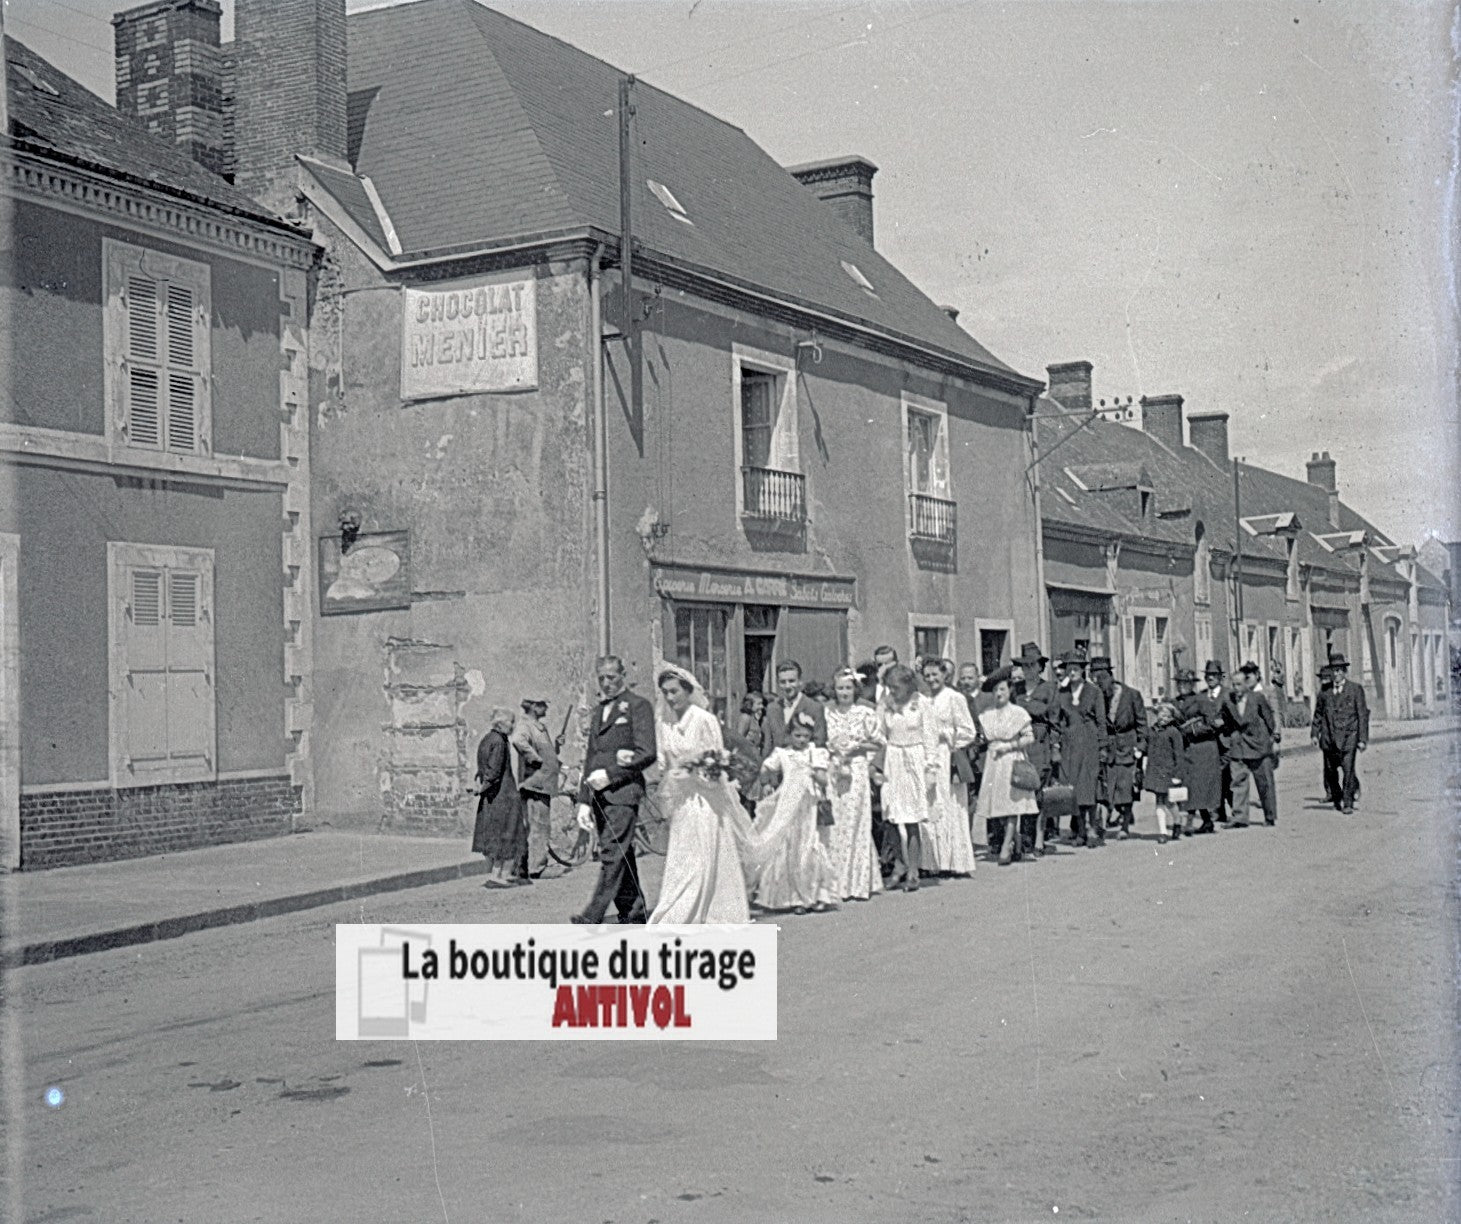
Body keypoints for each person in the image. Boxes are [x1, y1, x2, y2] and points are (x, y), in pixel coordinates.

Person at [647, 665, 755, 924]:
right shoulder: (664, 723)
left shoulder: (704, 719)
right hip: (682, 801)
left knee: (704, 855)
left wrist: (697, 772)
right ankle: (678, 911)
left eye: (674, 691)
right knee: (683, 857)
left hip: (707, 800)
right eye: (665, 693)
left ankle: (706, 913)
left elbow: (717, 761)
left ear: (687, 690)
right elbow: (663, 762)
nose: (670, 698)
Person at [570, 656, 658, 925]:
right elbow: (591, 757)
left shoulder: (637, 706)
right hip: (599, 795)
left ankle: (593, 913)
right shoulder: (599, 711)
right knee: (623, 852)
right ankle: (634, 910)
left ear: (623, 676)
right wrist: (584, 800)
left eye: (612, 677)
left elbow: (647, 753)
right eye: (601, 678)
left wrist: (610, 775)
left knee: (611, 851)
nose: (606, 683)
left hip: (623, 792)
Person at [753, 711, 836, 913]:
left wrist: (816, 773)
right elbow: (766, 770)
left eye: (806, 736)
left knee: (808, 846)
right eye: (797, 736)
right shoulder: (782, 753)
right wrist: (766, 782)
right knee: (786, 845)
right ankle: (787, 897)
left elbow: (825, 780)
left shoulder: (814, 752)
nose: (801, 740)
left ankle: (812, 895)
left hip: (807, 806)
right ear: (790, 735)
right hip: (787, 804)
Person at [823, 667, 885, 901]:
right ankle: (836, 884)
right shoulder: (828, 712)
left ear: (855, 689)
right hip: (835, 771)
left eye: (848, 688)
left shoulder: (864, 713)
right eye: (840, 688)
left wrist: (858, 748)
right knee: (836, 825)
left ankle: (856, 883)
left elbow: (879, 743)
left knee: (855, 822)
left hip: (856, 770)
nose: (844, 692)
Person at [877, 664, 939, 890]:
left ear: (908, 684)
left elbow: (931, 737)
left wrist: (931, 768)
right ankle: (899, 865)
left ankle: (914, 870)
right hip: (893, 760)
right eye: (889, 687)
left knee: (912, 818)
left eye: (896, 687)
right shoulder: (886, 704)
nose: (892, 692)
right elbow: (880, 734)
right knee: (891, 815)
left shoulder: (922, 704)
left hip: (915, 760)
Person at [975, 666, 1040, 865]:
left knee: (1012, 804)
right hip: (994, 762)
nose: (999, 694)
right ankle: (1016, 840)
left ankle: (1006, 846)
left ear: (1010, 690)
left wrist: (1010, 745)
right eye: (995, 690)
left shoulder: (1018, 713)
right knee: (998, 804)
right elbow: (983, 738)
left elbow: (1030, 737)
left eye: (1002, 689)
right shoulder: (987, 714)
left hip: (1011, 760)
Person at [920, 657, 979, 877]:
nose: (931, 679)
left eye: (935, 674)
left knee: (951, 806)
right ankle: (933, 861)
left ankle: (955, 861)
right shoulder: (923, 699)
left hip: (948, 757)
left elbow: (968, 732)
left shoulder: (955, 698)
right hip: (929, 758)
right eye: (927, 676)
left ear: (945, 674)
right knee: (932, 806)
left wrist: (945, 735)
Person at [1091, 657, 1147, 840]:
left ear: (1110, 676)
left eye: (1102, 678)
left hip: (1127, 746)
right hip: (1108, 748)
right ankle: (1103, 824)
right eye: (1095, 679)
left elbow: (1142, 724)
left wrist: (1141, 746)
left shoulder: (1132, 695)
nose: (1099, 683)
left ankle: (1124, 825)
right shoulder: (1098, 697)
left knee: (1126, 787)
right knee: (1107, 787)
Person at [1055, 653, 1108, 847]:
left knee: (1090, 788)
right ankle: (1079, 830)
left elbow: (1102, 721)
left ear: (1082, 670)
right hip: (1070, 744)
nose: (1072, 671)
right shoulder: (1062, 693)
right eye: (1069, 668)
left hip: (1089, 742)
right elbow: (1058, 720)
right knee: (1074, 789)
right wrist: (1057, 744)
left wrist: (1103, 747)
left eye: (1076, 668)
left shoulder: (1094, 692)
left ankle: (1093, 829)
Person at [472, 707, 527, 887]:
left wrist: (481, 786)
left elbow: (483, 768)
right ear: (501, 723)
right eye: (511, 722)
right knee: (508, 833)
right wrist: (483, 786)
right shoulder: (500, 742)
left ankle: (501, 873)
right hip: (504, 796)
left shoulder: (487, 739)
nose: (513, 726)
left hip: (493, 796)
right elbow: (494, 771)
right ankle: (499, 875)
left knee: (499, 834)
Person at [1013, 642, 1059, 852]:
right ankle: (1022, 838)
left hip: (1040, 742)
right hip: (1020, 742)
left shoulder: (1049, 688)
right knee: (1020, 788)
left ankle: (1039, 837)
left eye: (1032, 665)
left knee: (1038, 790)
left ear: (1040, 667)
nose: (1029, 670)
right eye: (1025, 666)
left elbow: (1055, 720)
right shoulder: (1016, 690)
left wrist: (1056, 746)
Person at [1311, 653, 1368, 814]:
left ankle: (1348, 803)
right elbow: (1318, 714)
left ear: (1344, 672)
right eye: (1334, 671)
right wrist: (1315, 734)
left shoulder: (1355, 690)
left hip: (1349, 737)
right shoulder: (1325, 692)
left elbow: (1362, 716)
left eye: (1339, 671)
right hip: (1329, 739)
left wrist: (1362, 739)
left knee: (1348, 770)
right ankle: (1337, 796)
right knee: (1330, 771)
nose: (1336, 674)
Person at [511, 698, 560, 880]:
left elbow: (544, 751)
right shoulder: (526, 725)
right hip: (536, 784)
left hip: (542, 783)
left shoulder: (538, 726)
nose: (546, 707)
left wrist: (556, 747)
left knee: (537, 825)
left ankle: (530, 865)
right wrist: (534, 759)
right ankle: (536, 868)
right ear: (532, 706)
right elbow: (518, 741)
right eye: (541, 704)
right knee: (539, 826)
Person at [1181, 661, 1232, 835]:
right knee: (1192, 785)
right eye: (1180, 683)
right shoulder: (1177, 701)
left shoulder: (1202, 699)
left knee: (1207, 784)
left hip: (1208, 745)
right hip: (1188, 747)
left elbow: (1213, 723)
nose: (1183, 687)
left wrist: (1193, 730)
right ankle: (1205, 819)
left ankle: (1207, 818)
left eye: (1187, 683)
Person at [1228, 661, 1280, 827]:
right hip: (1239, 746)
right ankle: (1240, 817)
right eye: (1233, 684)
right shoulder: (1228, 700)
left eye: (1239, 684)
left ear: (1246, 685)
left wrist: (1272, 738)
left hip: (1258, 745)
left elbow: (1269, 719)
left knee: (1264, 782)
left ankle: (1269, 816)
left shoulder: (1257, 698)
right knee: (1238, 782)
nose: (1236, 688)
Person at [953, 661, 987, 844]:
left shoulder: (987, 699)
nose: (966, 681)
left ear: (978, 678)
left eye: (970, 677)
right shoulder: (958, 698)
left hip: (983, 755)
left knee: (985, 798)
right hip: (965, 757)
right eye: (963, 678)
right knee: (968, 798)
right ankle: (967, 838)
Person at [763, 660, 828, 751]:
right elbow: (768, 745)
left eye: (791, 681)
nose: (787, 686)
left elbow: (819, 744)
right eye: (783, 682)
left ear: (800, 681)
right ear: (778, 683)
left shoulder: (815, 708)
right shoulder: (772, 708)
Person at [1144, 701, 1185, 842]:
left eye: (1168, 716)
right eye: (1161, 715)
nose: (1164, 718)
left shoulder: (1174, 732)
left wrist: (1178, 774)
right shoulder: (1152, 730)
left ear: (1172, 718)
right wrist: (1139, 749)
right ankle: (1163, 832)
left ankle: (1177, 821)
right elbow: (1145, 743)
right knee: (1159, 800)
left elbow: (1179, 755)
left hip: (1168, 771)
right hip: (1155, 770)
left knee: (1170, 802)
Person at [1312, 664, 1337, 804]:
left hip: (1341, 736)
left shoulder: (1339, 692)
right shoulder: (1321, 695)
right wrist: (1315, 734)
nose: (1324, 681)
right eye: (1322, 678)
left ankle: (1352, 788)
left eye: (1327, 678)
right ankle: (1329, 792)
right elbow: (1317, 715)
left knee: (1346, 765)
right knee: (1328, 767)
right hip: (1327, 737)